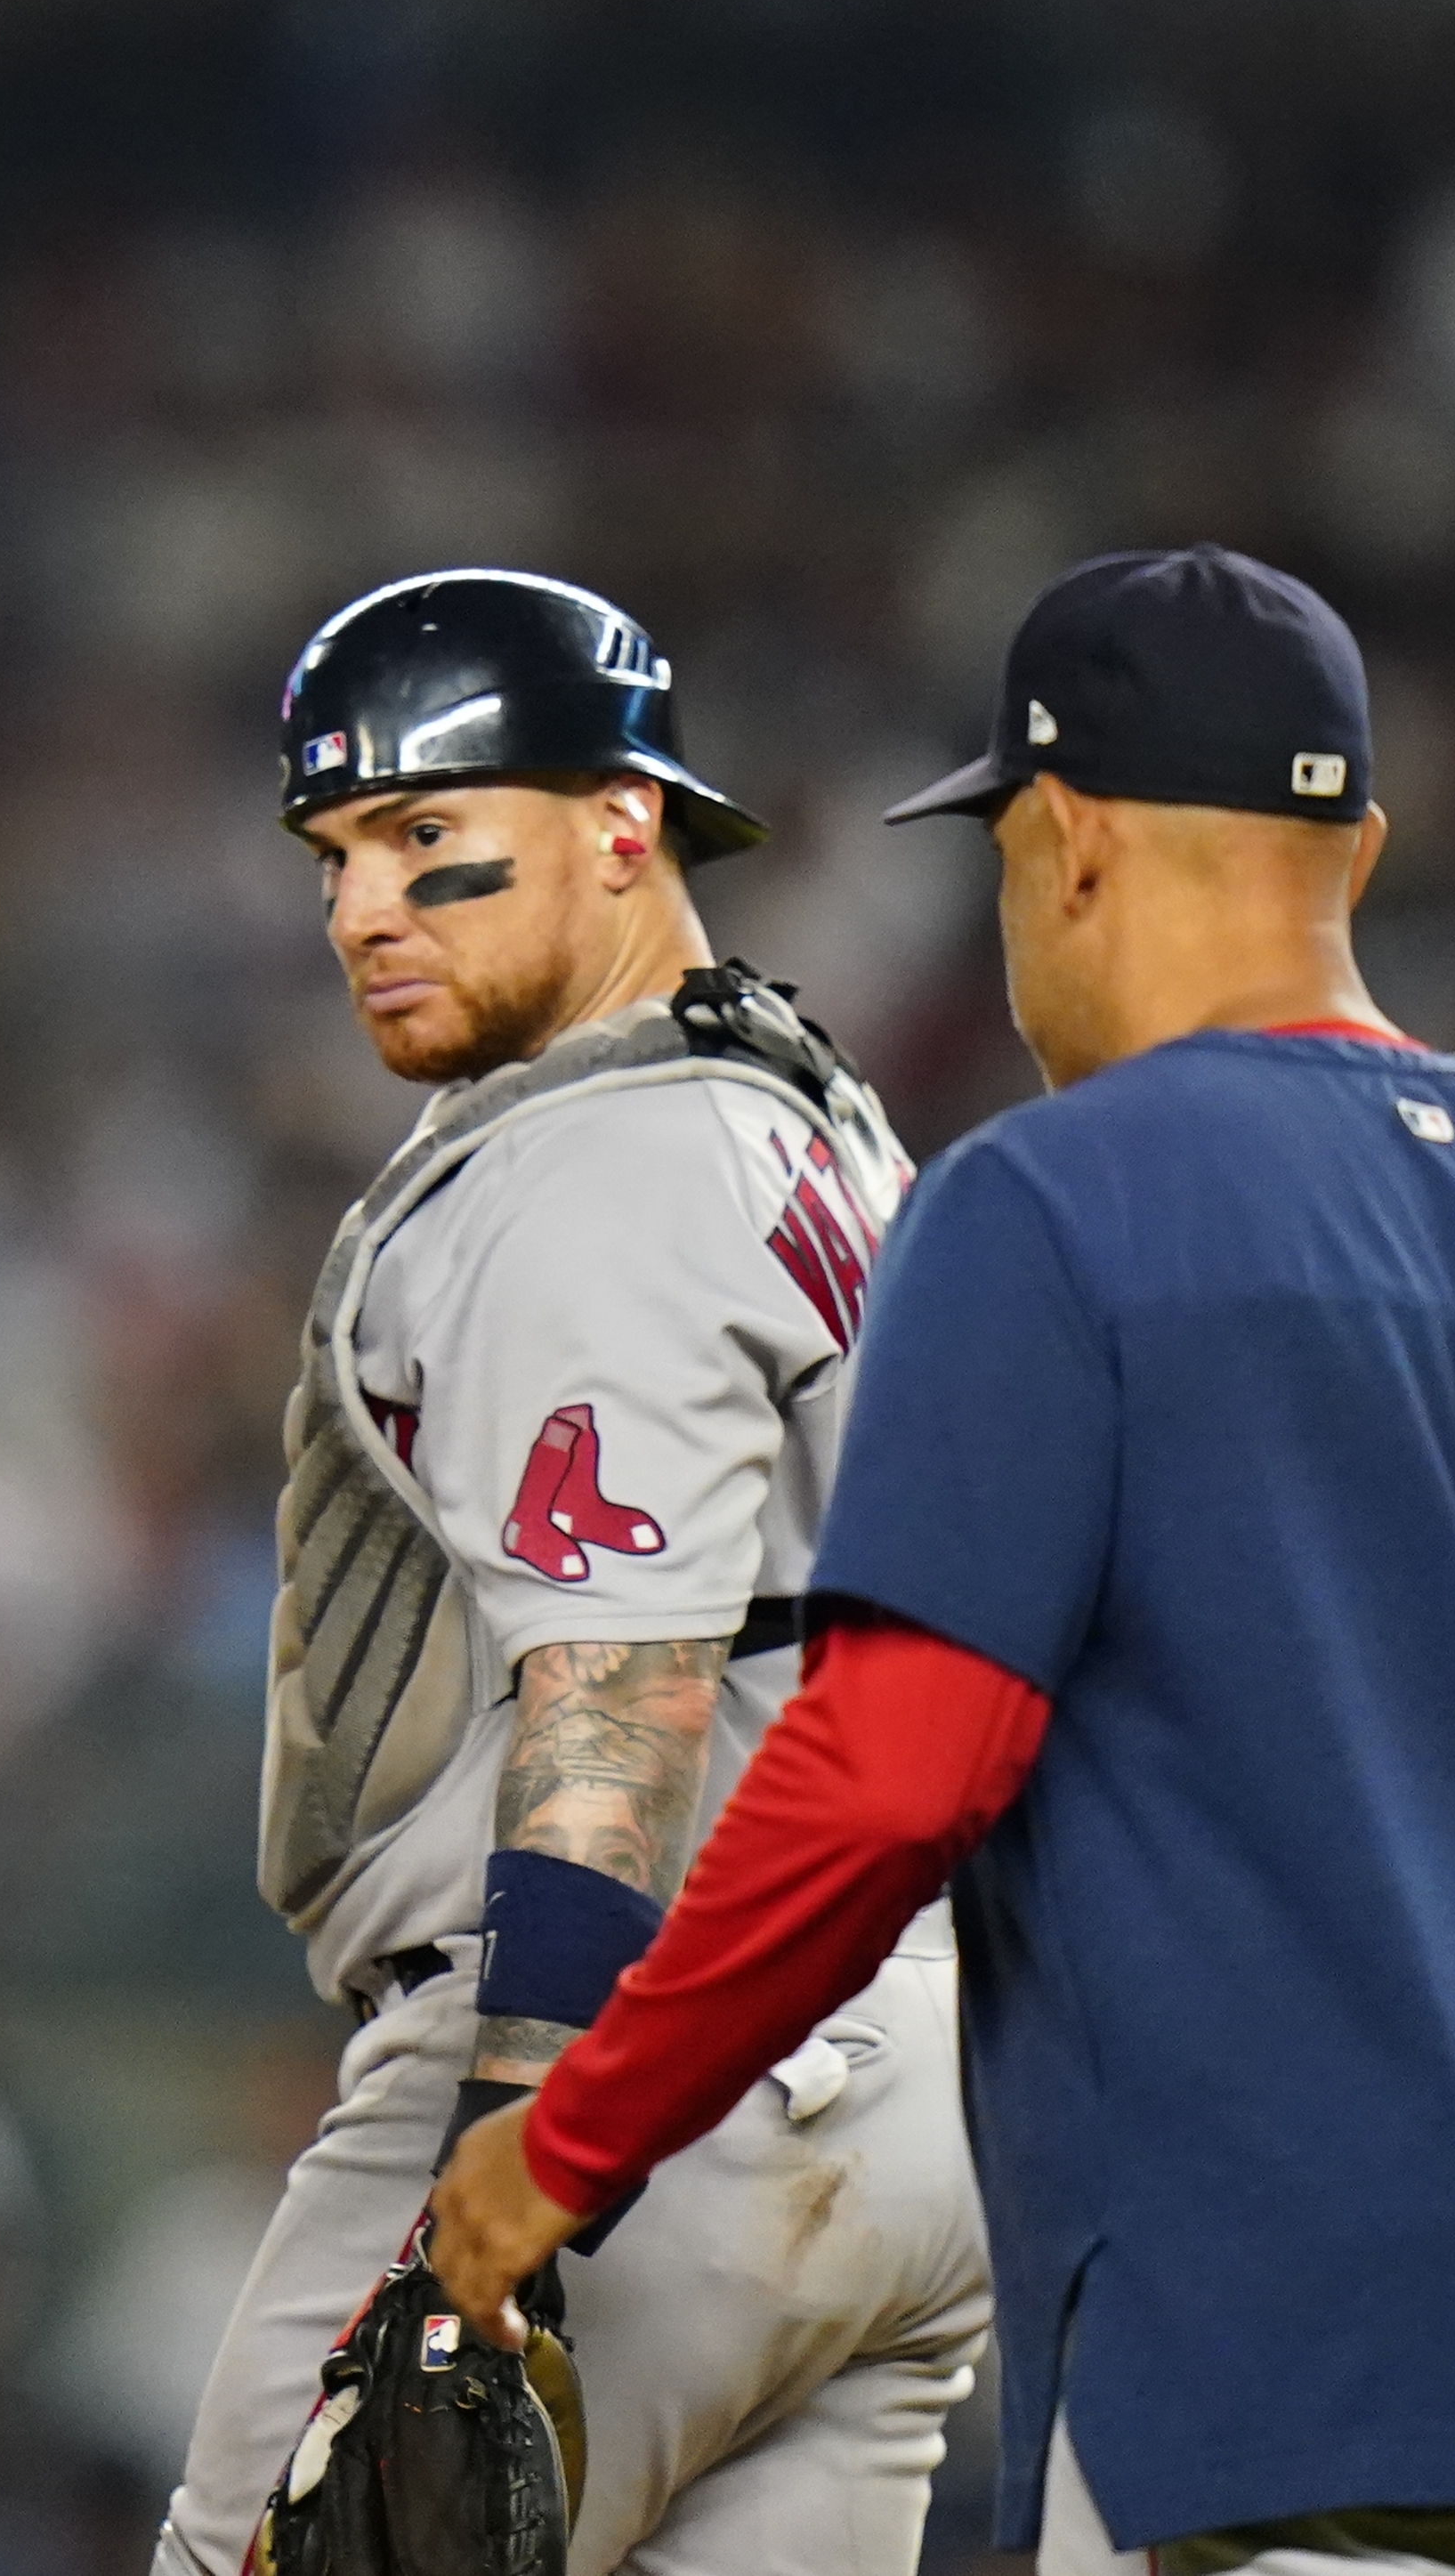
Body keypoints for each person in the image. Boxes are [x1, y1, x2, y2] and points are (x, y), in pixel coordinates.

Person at [428, 547, 1455, 2576]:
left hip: (1267, 2309)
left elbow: (892, 1776)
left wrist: (567, 2143)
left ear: (1070, 842)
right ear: (1354, 844)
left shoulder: (1045, 1204)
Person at [152, 571, 991, 2576]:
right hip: (915, 2075)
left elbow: (618, 1684)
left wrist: (524, 2141)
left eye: (433, 838)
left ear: (627, 826)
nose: (363, 904)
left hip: (641, 2054)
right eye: (338, 851)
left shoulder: (595, 1167)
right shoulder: (809, 1115)